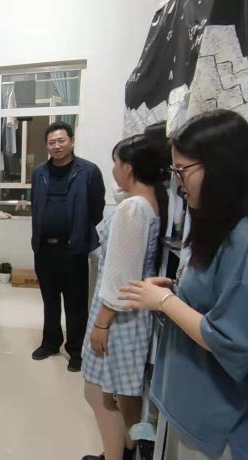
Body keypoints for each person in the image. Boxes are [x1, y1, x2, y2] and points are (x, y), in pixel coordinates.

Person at [120, 110, 248, 460]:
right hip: (212, 415)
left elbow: (234, 342)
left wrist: (165, 302)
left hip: (240, 428)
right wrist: (171, 295)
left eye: (182, 170)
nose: (178, 183)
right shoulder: (227, 227)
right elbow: (214, 306)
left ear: (221, 167)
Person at [80, 129, 170, 460]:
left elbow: (120, 274)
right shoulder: (153, 202)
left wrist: (101, 324)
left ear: (129, 168)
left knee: (100, 393)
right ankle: (126, 450)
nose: (114, 170)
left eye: (116, 163)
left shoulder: (133, 208)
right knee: (122, 391)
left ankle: (116, 454)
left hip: (118, 314)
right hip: (132, 311)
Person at [30, 121, 106, 372]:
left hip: (73, 248)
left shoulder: (88, 171)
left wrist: (79, 230)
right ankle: (51, 342)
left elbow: (96, 209)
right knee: (49, 299)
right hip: (44, 248)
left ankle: (76, 350)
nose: (56, 146)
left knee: (75, 303)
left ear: (72, 142)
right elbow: (35, 204)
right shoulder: (39, 173)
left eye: (61, 141)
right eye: (51, 142)